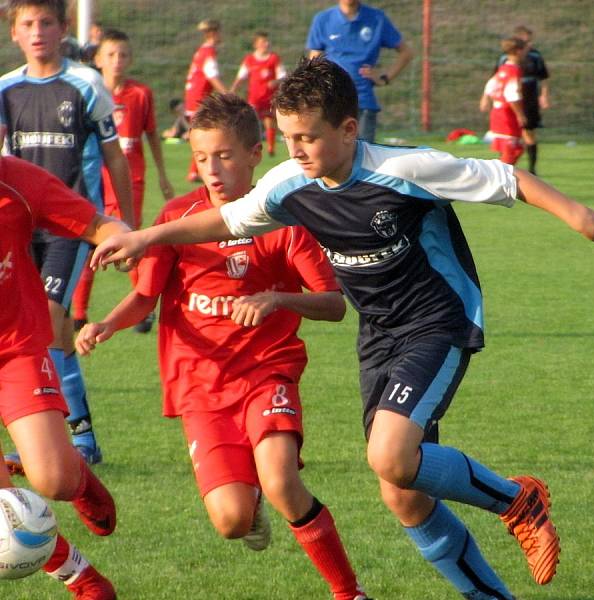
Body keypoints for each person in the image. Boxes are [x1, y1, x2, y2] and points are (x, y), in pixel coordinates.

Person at [90, 57, 594, 599]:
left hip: (437, 320)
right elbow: (229, 218)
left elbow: (508, 178)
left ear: (349, 129)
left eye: (307, 137)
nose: (296, 150)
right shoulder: (290, 184)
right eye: (287, 138)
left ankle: (517, 500)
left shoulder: (404, 170)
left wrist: (587, 221)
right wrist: (143, 239)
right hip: (378, 336)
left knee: (390, 456)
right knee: (403, 494)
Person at [76, 93, 371, 600]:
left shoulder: (284, 219)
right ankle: (247, 498)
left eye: (225, 156)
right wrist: (107, 323)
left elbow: (334, 303)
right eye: (201, 158)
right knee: (232, 521)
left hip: (266, 373)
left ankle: (349, 592)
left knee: (280, 482)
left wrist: (278, 298)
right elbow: (146, 294)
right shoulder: (177, 219)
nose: (212, 169)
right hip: (200, 387)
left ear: (256, 154)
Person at [0, 0, 134, 465]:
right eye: (27, 24)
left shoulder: (86, 83)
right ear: (14, 32)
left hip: (69, 223)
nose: (37, 32)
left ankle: (48, 439)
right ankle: (81, 437)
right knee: (50, 333)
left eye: (46, 23)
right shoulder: (6, 89)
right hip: (18, 229)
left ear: (62, 29)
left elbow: (114, 154)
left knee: (53, 320)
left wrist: (128, 225)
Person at [0, 154, 128, 599]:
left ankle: (80, 481)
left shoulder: (14, 179)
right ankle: (84, 579)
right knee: (2, 508)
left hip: (15, 347)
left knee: (53, 479)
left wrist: (123, 238)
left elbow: (95, 223)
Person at [71, 28, 175, 334]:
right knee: (89, 243)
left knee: (126, 241)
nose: (118, 60)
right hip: (94, 180)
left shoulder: (140, 93)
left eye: (123, 55)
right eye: (111, 54)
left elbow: (152, 134)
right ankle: (79, 313)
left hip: (132, 181)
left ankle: (142, 306)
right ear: (98, 59)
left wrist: (164, 175)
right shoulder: (88, 92)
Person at [306, 0, 413, 143]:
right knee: (333, 153)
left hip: (363, 101)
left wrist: (385, 77)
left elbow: (406, 52)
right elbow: (314, 58)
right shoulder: (323, 19)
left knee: (364, 154)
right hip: (331, 101)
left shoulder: (376, 18)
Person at [496, 25, 550, 175]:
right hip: (511, 103)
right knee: (510, 136)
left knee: (528, 132)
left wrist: (544, 95)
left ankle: (532, 169)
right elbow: (497, 79)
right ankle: (504, 168)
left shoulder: (535, 56)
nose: (529, 44)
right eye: (525, 41)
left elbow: (544, 77)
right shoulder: (506, 61)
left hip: (530, 98)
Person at [184, 18, 227, 182]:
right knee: (205, 137)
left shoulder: (201, 51)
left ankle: (194, 172)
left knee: (202, 136)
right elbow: (212, 76)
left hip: (193, 98)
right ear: (213, 33)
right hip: (199, 100)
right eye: (219, 31)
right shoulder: (208, 52)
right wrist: (226, 94)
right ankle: (194, 172)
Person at [231, 31, 286, 157]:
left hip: (270, 98)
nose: (266, 44)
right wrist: (233, 89)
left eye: (267, 42)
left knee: (269, 122)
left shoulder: (274, 58)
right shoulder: (250, 59)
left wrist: (275, 81)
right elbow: (241, 76)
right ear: (256, 44)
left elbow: (283, 76)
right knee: (250, 122)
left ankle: (271, 148)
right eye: (263, 42)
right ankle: (249, 146)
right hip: (254, 98)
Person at [480, 37, 527, 166]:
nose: (525, 54)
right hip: (507, 115)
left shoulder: (504, 68)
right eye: (524, 50)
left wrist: (484, 98)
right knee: (511, 150)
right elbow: (511, 94)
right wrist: (520, 114)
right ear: (518, 51)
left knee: (512, 150)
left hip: (498, 112)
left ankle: (501, 176)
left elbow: (491, 84)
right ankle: (500, 180)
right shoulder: (514, 70)